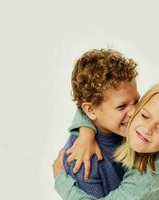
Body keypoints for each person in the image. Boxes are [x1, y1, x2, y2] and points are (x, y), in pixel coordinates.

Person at [53, 79, 159, 200]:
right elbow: (100, 103)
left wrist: (61, 180)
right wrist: (86, 131)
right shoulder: (137, 121)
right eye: (145, 115)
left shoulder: (152, 176)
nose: (147, 129)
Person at [61, 48, 140, 198]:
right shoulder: (81, 159)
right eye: (121, 106)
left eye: (137, 101)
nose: (134, 111)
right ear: (90, 110)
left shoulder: (140, 129)